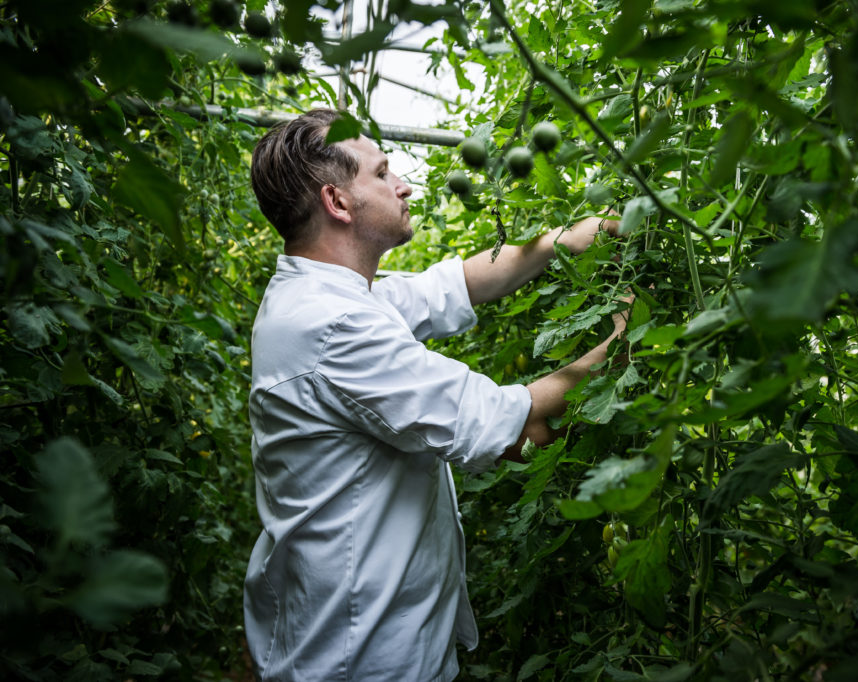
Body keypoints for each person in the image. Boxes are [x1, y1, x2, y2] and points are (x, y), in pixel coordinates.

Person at [244, 109, 626, 681]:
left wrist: (559, 241)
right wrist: (624, 344)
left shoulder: (334, 296)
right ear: (338, 203)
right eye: (382, 173)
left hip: (367, 636)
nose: (404, 185)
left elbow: (454, 284)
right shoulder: (331, 325)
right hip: (361, 658)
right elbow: (512, 428)